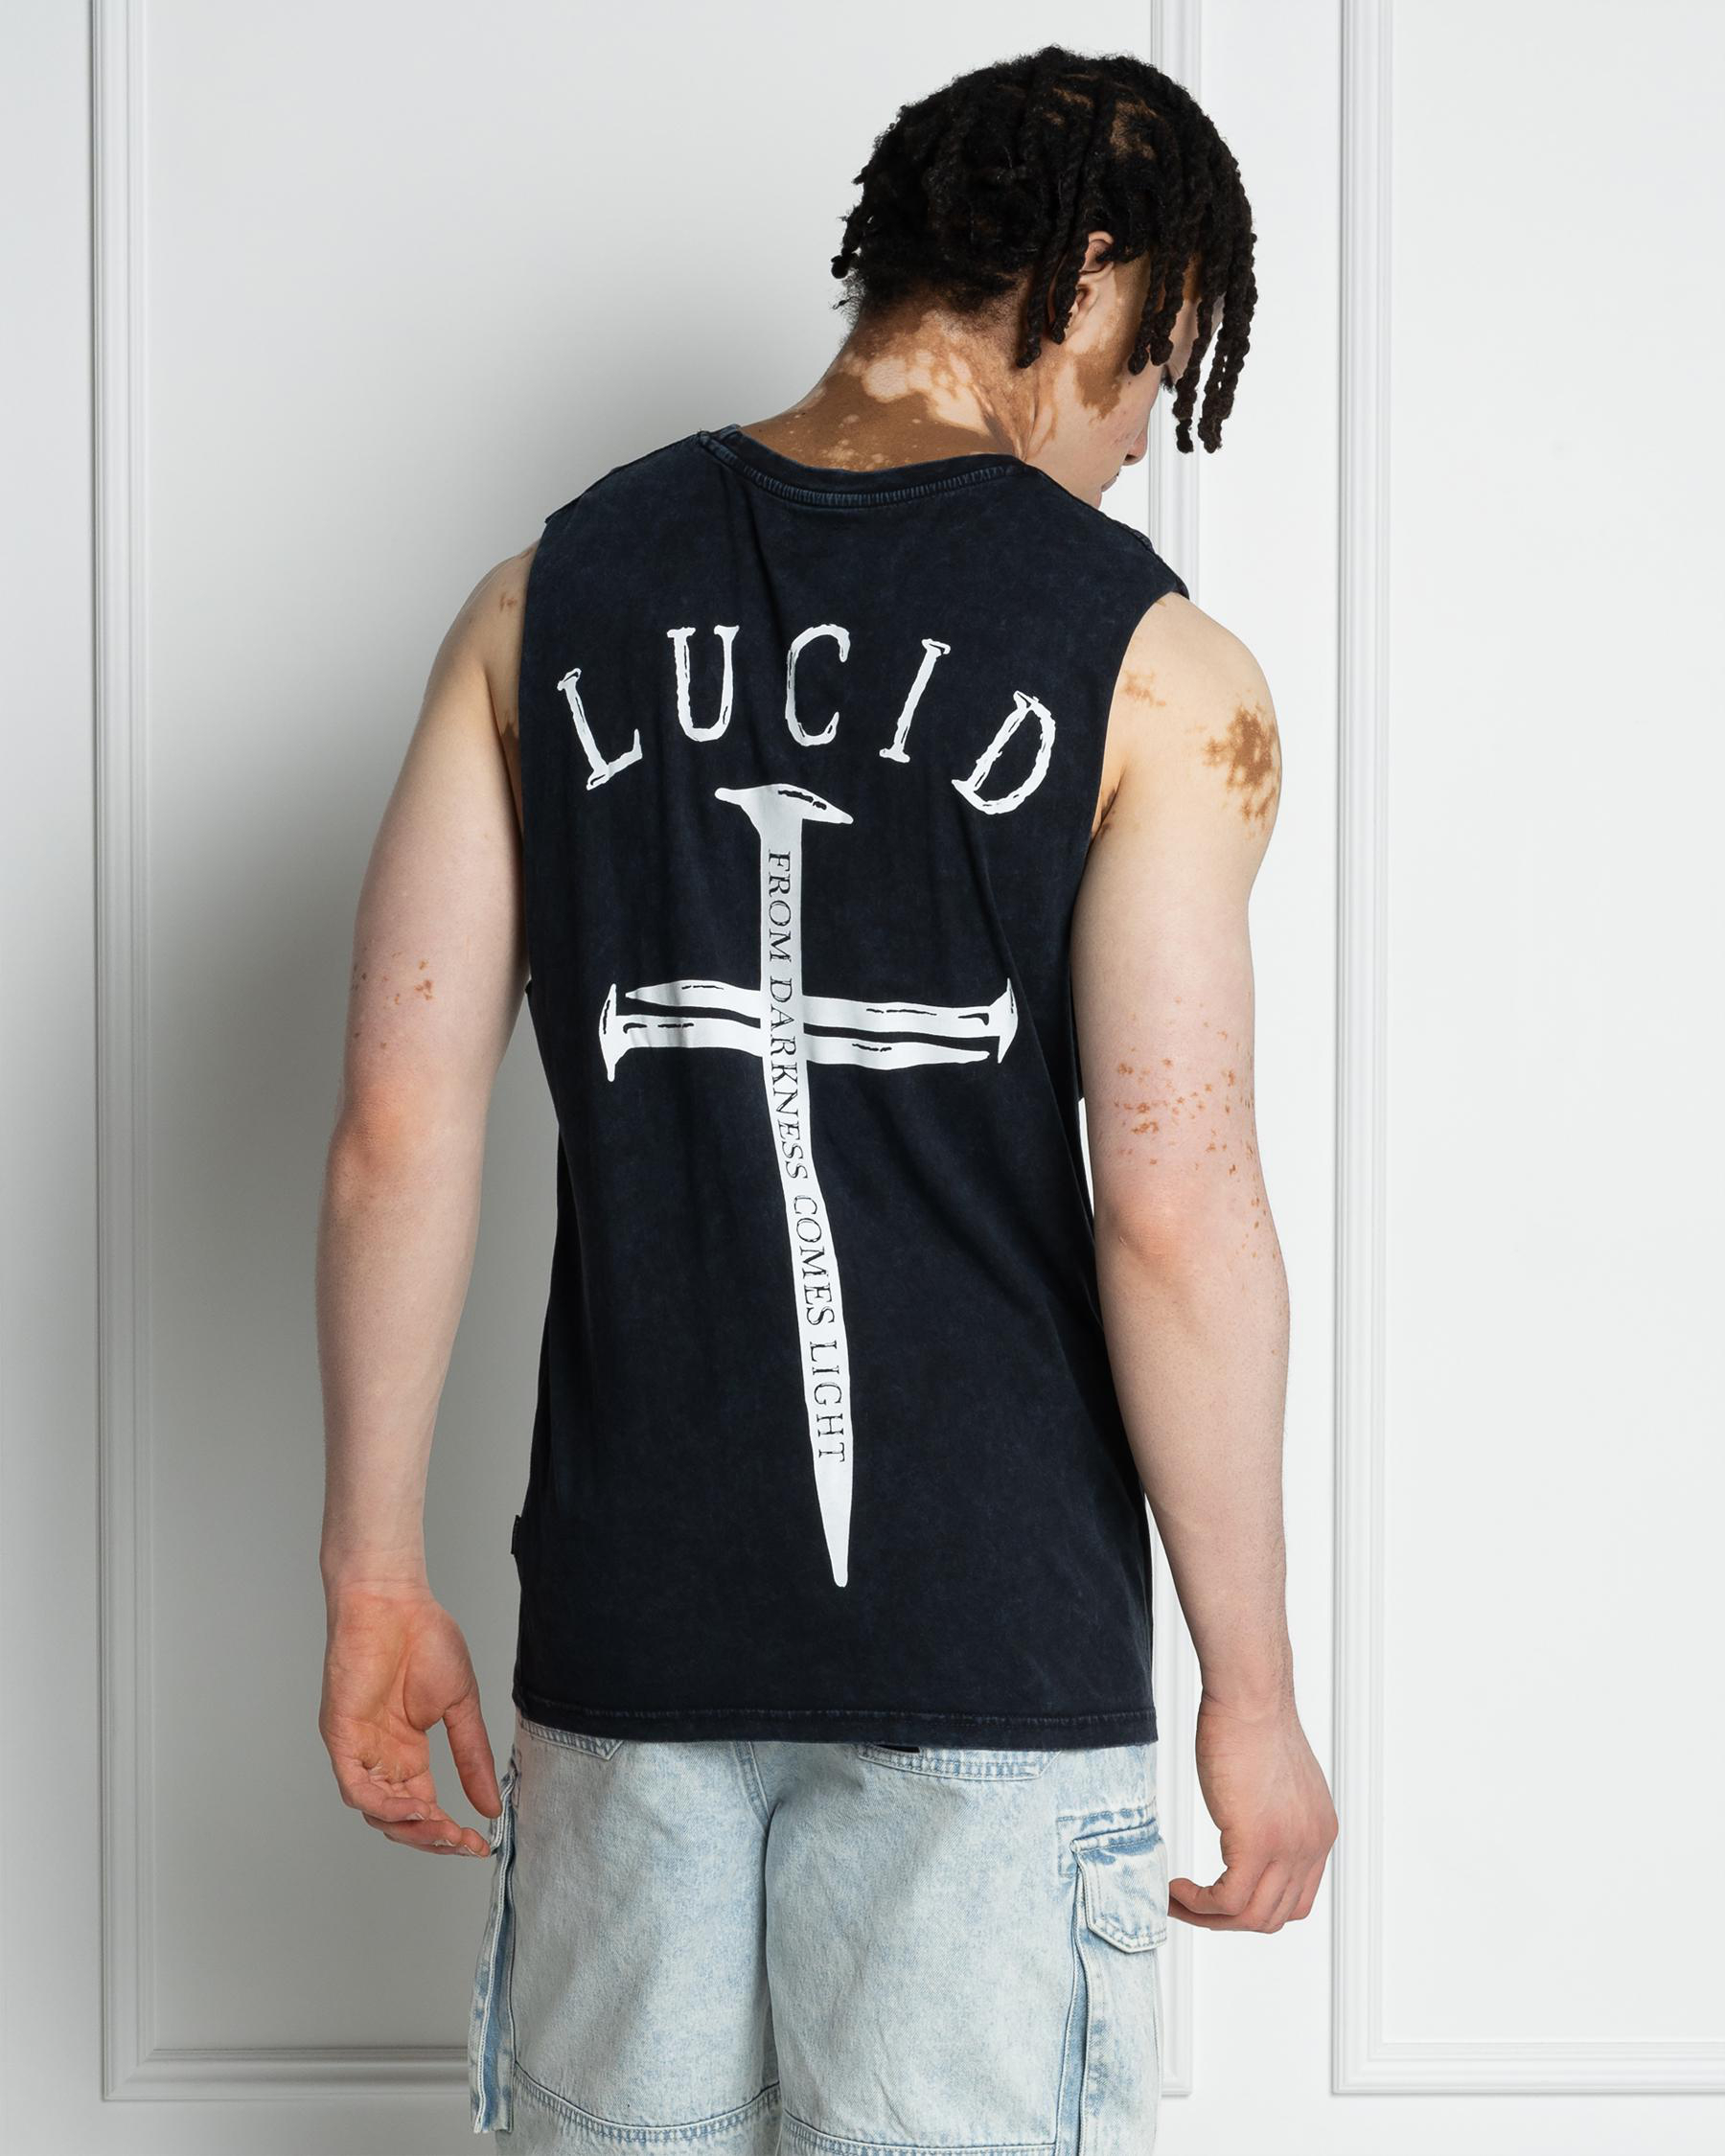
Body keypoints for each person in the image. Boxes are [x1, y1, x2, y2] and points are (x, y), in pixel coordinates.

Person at [316, 42, 1336, 2155]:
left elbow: (399, 1129)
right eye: (1159, 363)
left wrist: (373, 1576)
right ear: (1084, 278)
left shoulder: (543, 603)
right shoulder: (1155, 671)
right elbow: (1177, 1205)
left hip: (629, 1636)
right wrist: (1251, 1686)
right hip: (991, 1651)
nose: (1146, 433)